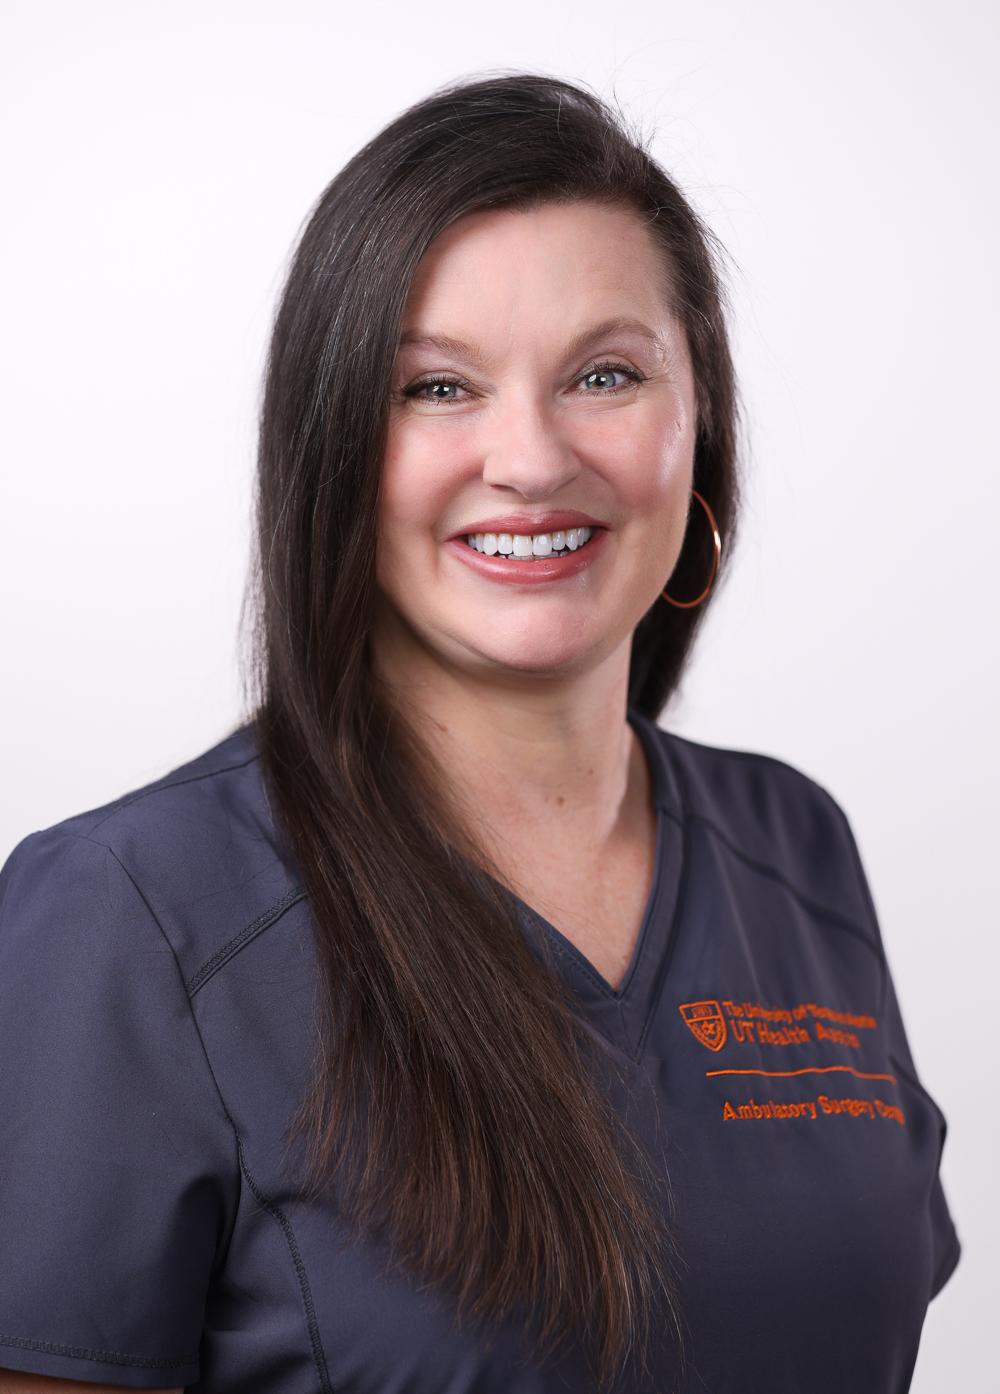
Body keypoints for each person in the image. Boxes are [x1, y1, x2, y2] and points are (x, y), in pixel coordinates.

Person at [0, 75, 957, 1394]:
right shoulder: (131, 914)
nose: (530, 456)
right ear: (333, 441)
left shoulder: (796, 845)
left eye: (606, 374)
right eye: (438, 388)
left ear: (702, 429)